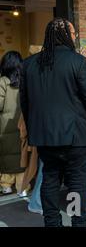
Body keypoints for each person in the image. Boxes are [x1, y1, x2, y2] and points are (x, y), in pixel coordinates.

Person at [20, 18, 86, 227]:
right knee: (77, 185)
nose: (75, 37)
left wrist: (34, 130)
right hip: (77, 137)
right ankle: (77, 223)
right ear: (66, 36)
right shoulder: (78, 62)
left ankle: (52, 223)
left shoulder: (29, 64)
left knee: (50, 182)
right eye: (73, 33)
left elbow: (25, 103)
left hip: (46, 138)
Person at [0, 51, 26, 195]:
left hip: (5, 127)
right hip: (23, 124)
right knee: (22, 155)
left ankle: (6, 185)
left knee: (6, 155)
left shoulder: (3, 81)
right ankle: (22, 186)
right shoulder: (24, 80)